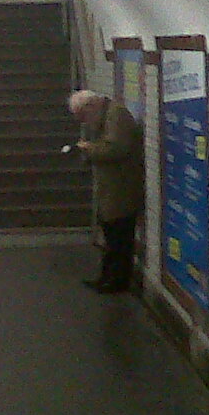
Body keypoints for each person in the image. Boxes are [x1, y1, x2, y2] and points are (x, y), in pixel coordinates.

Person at [68, 90, 143, 294]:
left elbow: (117, 148)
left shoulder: (116, 116)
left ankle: (117, 281)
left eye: (83, 116)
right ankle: (108, 277)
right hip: (112, 188)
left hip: (122, 188)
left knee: (119, 236)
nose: (84, 122)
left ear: (91, 106)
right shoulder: (107, 116)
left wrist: (88, 149)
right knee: (111, 234)